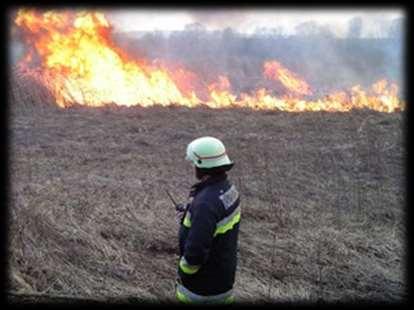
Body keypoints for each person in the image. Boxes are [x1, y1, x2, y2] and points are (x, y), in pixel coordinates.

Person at [175, 136, 241, 304]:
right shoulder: (227, 189)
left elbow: (195, 253)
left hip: (200, 290)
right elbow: (215, 224)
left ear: (201, 165)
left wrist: (184, 272)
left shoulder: (205, 203)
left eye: (194, 163)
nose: (193, 167)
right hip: (222, 280)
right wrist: (190, 214)